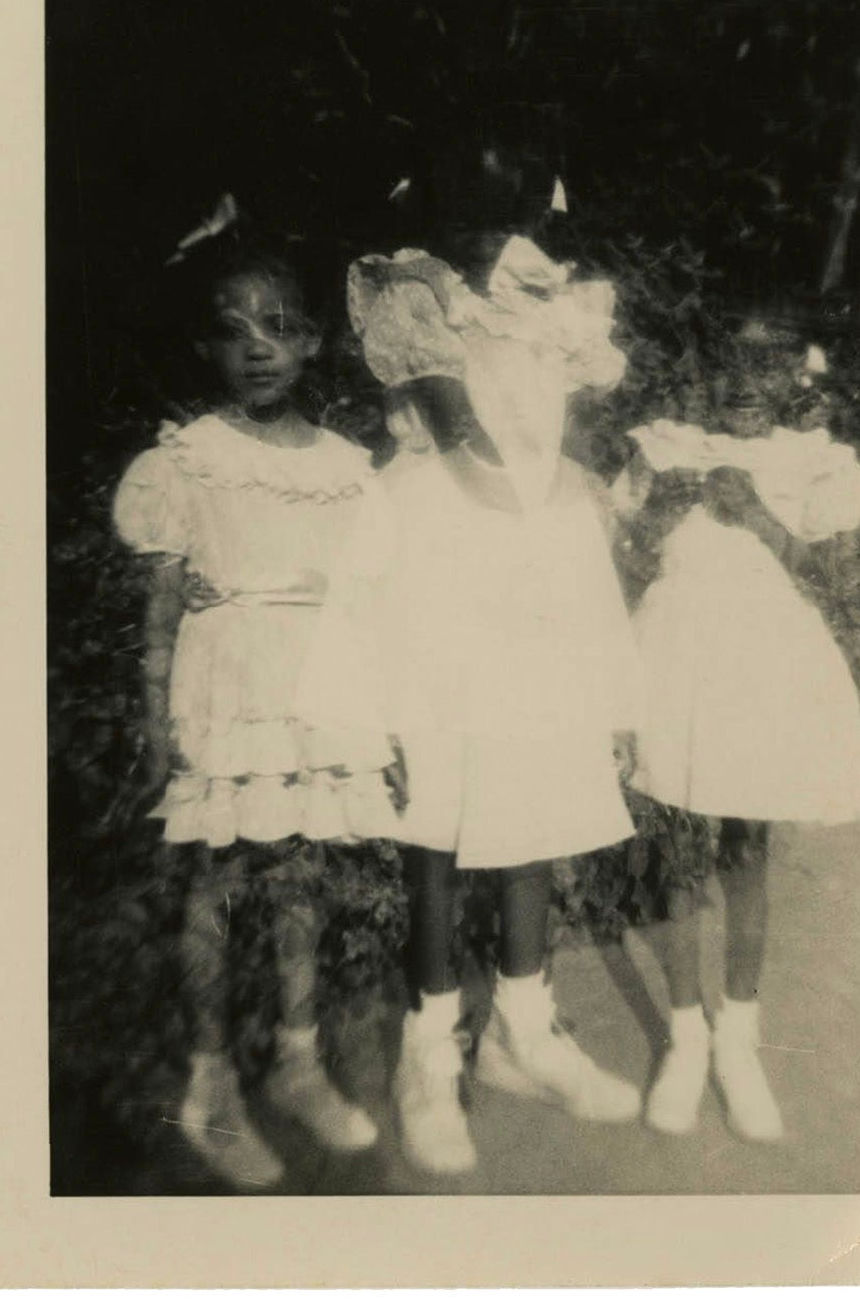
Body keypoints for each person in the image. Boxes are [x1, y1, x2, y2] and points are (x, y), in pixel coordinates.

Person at [301, 224, 644, 1176]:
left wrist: (567, 499)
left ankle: (522, 1035)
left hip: (541, 540)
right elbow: (467, 439)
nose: (514, 202)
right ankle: (428, 1054)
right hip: (449, 545)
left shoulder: (559, 298)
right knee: (443, 825)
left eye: (531, 180)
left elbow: (566, 432)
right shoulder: (418, 289)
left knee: (535, 801)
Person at [112, 196, 394, 1188]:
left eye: (279, 327)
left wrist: (374, 714)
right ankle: (208, 1080)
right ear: (208, 351)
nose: (259, 348)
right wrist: (154, 720)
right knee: (217, 882)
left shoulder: (350, 472)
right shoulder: (189, 459)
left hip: (314, 687)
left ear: (315, 342)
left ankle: (299, 1059)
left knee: (301, 879)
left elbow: (364, 606)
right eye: (235, 332)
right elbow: (159, 606)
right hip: (224, 681)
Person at [614, 322, 860, 1142]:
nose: (744, 378)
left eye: (766, 363)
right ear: (707, 365)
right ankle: (686, 1037)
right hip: (673, 665)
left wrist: (760, 513)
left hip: (762, 674)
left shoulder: (811, 460)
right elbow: (622, 554)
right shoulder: (665, 449)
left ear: (788, 379)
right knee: (674, 850)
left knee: (744, 853)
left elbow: (834, 580)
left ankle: (740, 1039)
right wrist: (653, 521)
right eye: (732, 359)